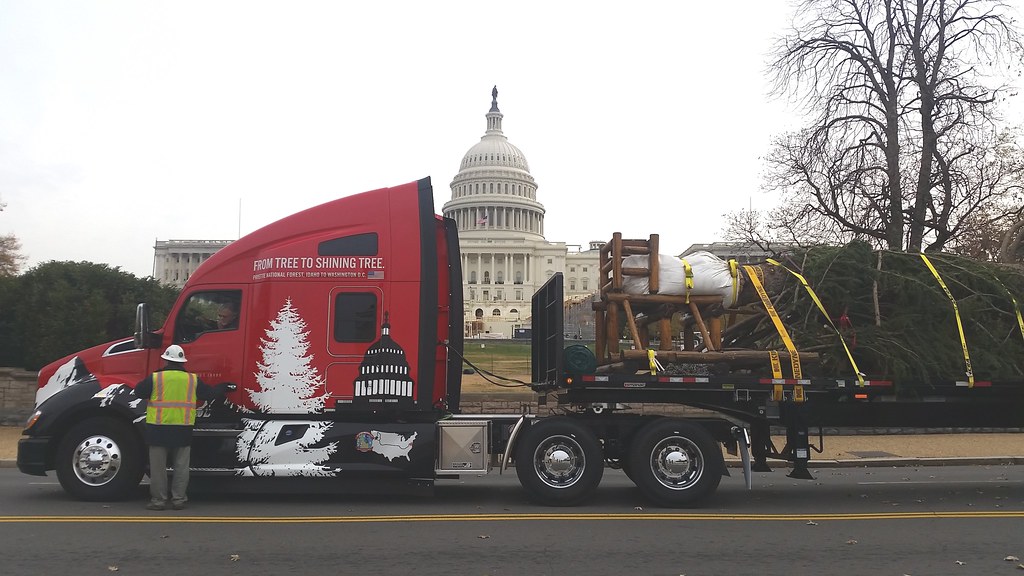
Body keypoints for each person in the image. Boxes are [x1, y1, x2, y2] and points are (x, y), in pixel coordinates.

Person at [134, 344, 230, 510]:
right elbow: (209, 394)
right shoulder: (192, 379)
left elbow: (138, 392)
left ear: (166, 360)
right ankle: (178, 500)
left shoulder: (156, 378)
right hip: (182, 429)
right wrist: (223, 387)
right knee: (181, 467)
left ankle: (158, 501)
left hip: (158, 429)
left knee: (158, 468)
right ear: (182, 362)